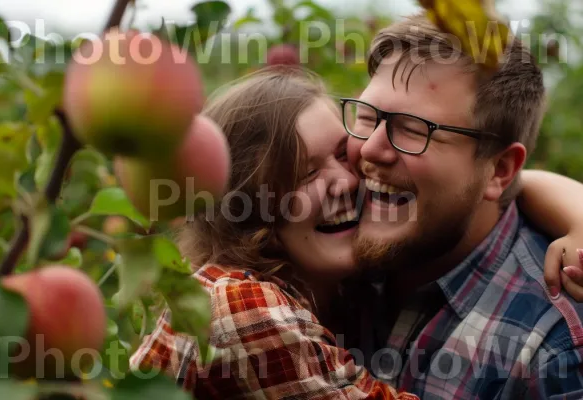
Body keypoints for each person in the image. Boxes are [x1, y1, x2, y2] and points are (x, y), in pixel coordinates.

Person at [129, 67, 583, 399]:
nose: (351, 179)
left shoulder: (354, 279)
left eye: (343, 155)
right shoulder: (242, 310)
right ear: (251, 208)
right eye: (305, 175)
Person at [343, 14, 583, 399]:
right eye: (367, 117)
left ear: (499, 170)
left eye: (413, 129)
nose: (371, 147)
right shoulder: (324, 253)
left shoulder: (552, 353)